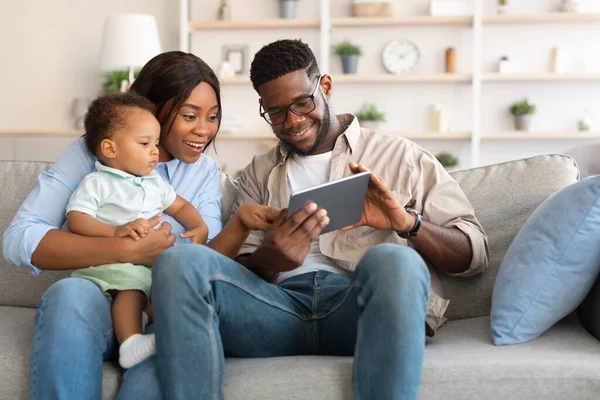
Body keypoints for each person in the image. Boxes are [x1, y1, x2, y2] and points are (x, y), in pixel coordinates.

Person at [151, 39, 489, 400]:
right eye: (276, 111)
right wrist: (271, 258)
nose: (293, 121)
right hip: (276, 310)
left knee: (397, 259)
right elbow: (237, 277)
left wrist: (407, 223)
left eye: (303, 102)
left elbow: (474, 255)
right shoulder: (259, 173)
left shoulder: (399, 156)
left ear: (324, 86)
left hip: (359, 309)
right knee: (179, 261)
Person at [3, 51, 279, 400]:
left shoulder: (203, 173)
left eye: (212, 117)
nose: (204, 131)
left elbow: (203, 256)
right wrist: (124, 248)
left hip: (159, 307)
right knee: (68, 294)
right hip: (99, 297)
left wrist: (236, 225)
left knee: (177, 324)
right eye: (190, 116)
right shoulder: (95, 155)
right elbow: (20, 238)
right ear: (150, 109)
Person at [67, 92, 211, 369]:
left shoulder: (153, 182)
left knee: (167, 288)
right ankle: (131, 342)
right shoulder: (99, 182)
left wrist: (199, 226)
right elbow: (77, 218)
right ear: (110, 149)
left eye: (155, 143)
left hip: (149, 265)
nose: (155, 151)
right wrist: (115, 231)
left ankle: (142, 324)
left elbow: (180, 206)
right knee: (133, 288)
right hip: (111, 264)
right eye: (144, 143)